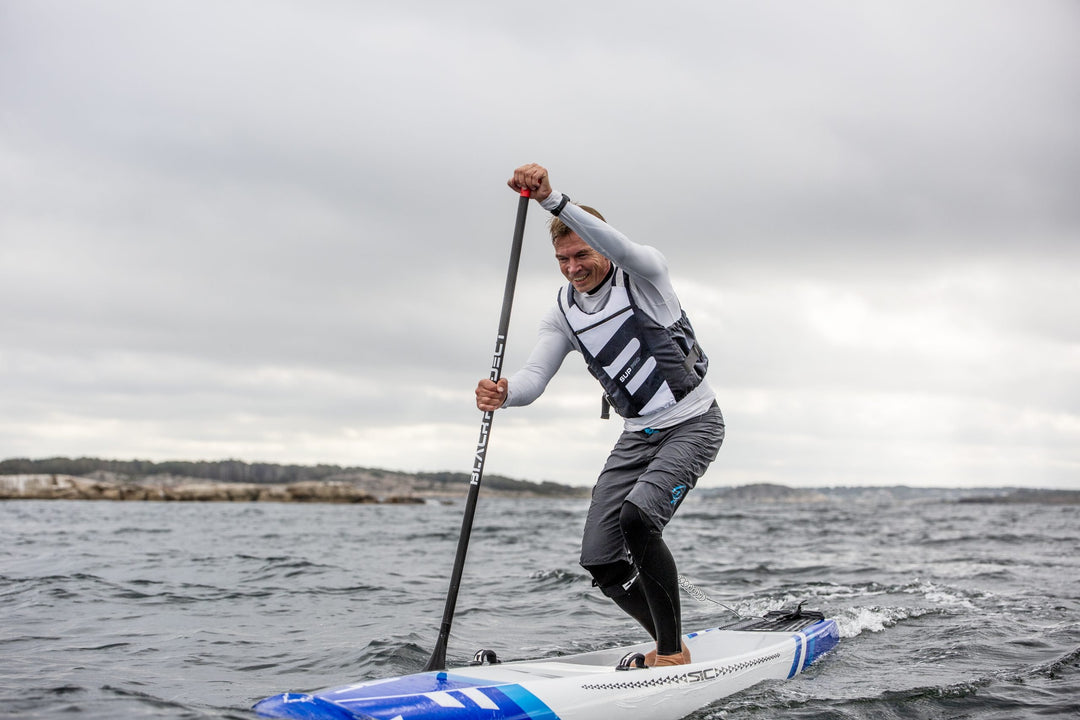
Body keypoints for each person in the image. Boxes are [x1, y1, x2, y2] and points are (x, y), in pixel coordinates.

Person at [476, 163, 725, 667]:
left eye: (582, 254)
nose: (572, 267)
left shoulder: (646, 276)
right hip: (638, 436)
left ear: (602, 248)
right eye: (562, 259)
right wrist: (504, 393)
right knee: (601, 558)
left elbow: (626, 249)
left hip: (694, 423)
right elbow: (533, 378)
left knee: (638, 518)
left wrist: (552, 200)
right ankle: (670, 640)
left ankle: (672, 654)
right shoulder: (563, 312)